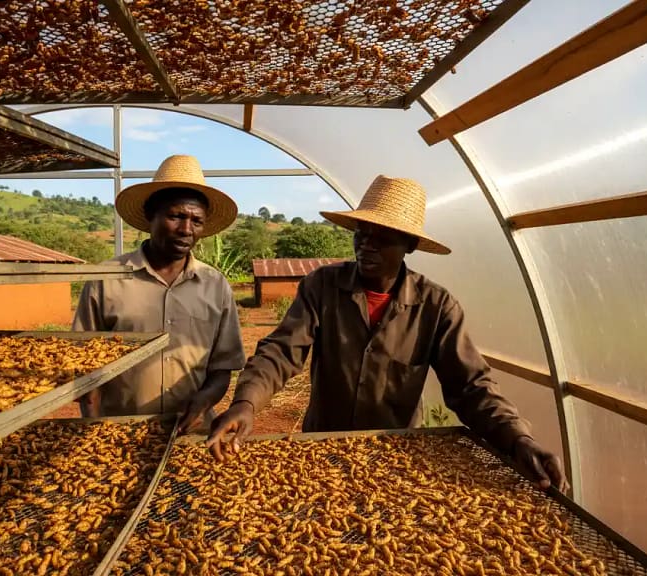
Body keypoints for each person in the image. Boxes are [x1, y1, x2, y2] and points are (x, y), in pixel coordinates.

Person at [207, 175, 568, 491]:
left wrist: (518, 438)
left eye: (383, 239)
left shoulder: (437, 307)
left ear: (409, 245)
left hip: (397, 456)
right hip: (323, 449)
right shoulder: (322, 287)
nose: (367, 246)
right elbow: (281, 352)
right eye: (362, 235)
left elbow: (472, 387)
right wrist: (246, 402)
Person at [73, 155, 246, 433]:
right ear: (150, 217)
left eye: (196, 221)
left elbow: (222, 367)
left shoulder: (215, 285)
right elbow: (84, 364)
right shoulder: (107, 279)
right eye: (176, 216)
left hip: (190, 434)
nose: (186, 230)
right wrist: (93, 427)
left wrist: (204, 401)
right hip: (119, 433)